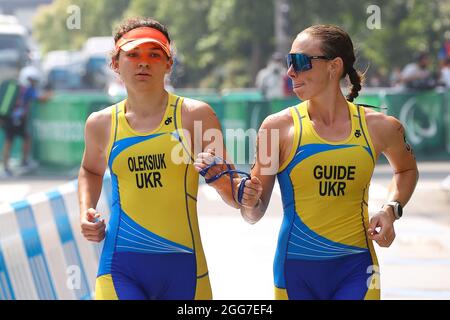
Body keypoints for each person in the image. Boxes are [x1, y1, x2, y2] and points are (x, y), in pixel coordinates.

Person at [198, 24, 419, 300]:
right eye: (288, 62)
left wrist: (391, 210)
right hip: (296, 274)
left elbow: (407, 170)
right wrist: (235, 191)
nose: (290, 72)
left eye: (300, 62)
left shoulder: (381, 127)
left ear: (334, 66)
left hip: (357, 270)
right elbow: (253, 213)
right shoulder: (275, 129)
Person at [77, 17, 242, 300]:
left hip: (185, 270)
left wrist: (226, 183)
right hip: (120, 269)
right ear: (115, 64)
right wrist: (86, 211)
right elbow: (90, 170)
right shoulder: (100, 123)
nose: (144, 62)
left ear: (168, 64)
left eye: (155, 54)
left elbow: (233, 192)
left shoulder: (196, 116)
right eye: (133, 55)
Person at [1, 65, 50, 176]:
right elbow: (40, 98)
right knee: (21, 139)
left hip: (8, 119)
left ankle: (7, 167)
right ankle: (22, 162)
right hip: (16, 120)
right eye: (32, 80)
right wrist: (49, 95)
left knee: (10, 141)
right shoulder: (27, 89)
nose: (34, 83)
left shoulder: (15, 86)